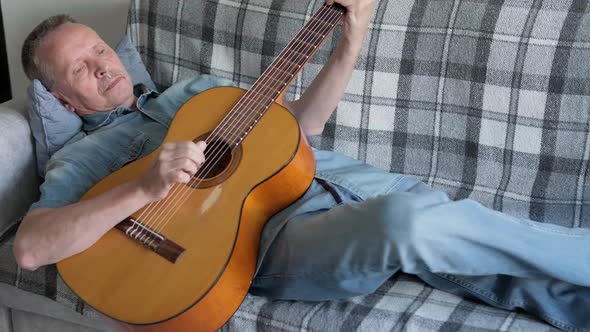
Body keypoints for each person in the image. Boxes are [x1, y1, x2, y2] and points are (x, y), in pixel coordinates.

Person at [13, 0, 590, 330]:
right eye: (79, 69)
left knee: (445, 235)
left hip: (351, 188)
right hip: (262, 241)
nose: (102, 65)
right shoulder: (81, 156)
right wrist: (142, 185)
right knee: (410, 224)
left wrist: (348, 44)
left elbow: (300, 127)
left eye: (99, 50)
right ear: (63, 100)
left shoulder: (192, 93)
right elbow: (32, 248)